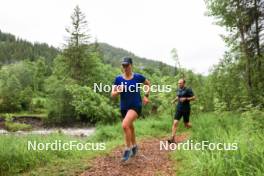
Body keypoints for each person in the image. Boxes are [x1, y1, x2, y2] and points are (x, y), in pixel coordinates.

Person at [111, 57, 150, 162]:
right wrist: (118, 91)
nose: (125, 67)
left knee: (125, 125)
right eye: (123, 65)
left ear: (131, 65)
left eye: (127, 65)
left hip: (136, 106)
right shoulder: (118, 79)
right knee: (130, 127)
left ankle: (127, 149)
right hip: (124, 107)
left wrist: (146, 96)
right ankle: (134, 146)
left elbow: (147, 83)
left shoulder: (138, 77)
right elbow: (112, 94)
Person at [169, 79, 195, 143]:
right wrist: (173, 100)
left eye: (180, 83)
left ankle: (194, 130)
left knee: (186, 124)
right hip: (179, 108)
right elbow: (178, 96)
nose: (179, 84)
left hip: (186, 108)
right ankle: (172, 138)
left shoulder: (188, 90)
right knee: (175, 122)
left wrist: (186, 98)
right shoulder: (179, 89)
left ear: (184, 83)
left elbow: (194, 97)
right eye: (178, 83)